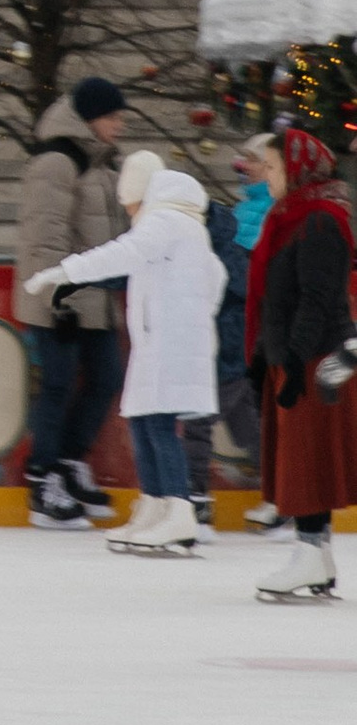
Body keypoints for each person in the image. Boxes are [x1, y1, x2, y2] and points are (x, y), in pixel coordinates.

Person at [26, 151, 223, 559]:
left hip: (169, 347)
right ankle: (155, 504)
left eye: (128, 202)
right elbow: (214, 277)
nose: (128, 211)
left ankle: (178, 509)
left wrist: (66, 271)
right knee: (144, 423)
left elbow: (123, 253)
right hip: (163, 344)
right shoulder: (185, 226)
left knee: (159, 428)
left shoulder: (165, 220)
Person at [245, 125, 357, 605]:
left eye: (272, 166)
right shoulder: (292, 216)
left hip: (315, 358)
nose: (265, 176)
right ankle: (318, 557)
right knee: (301, 461)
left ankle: (310, 553)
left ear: (296, 167)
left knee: (307, 464)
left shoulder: (319, 220)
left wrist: (293, 360)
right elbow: (278, 297)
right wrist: (263, 357)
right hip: (294, 355)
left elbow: (318, 298)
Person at [16, 77, 128, 528]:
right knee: (59, 385)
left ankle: (67, 461)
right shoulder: (57, 162)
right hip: (59, 301)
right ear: (90, 118)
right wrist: (58, 300)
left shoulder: (100, 165)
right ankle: (42, 479)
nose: (118, 126)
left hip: (96, 300)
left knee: (106, 378)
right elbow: (45, 237)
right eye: (112, 117)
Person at [207, 139, 275, 520]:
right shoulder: (244, 208)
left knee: (226, 403)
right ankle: (279, 492)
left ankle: (185, 491)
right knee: (244, 409)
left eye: (250, 160)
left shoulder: (272, 210)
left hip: (254, 322)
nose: (241, 165)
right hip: (236, 319)